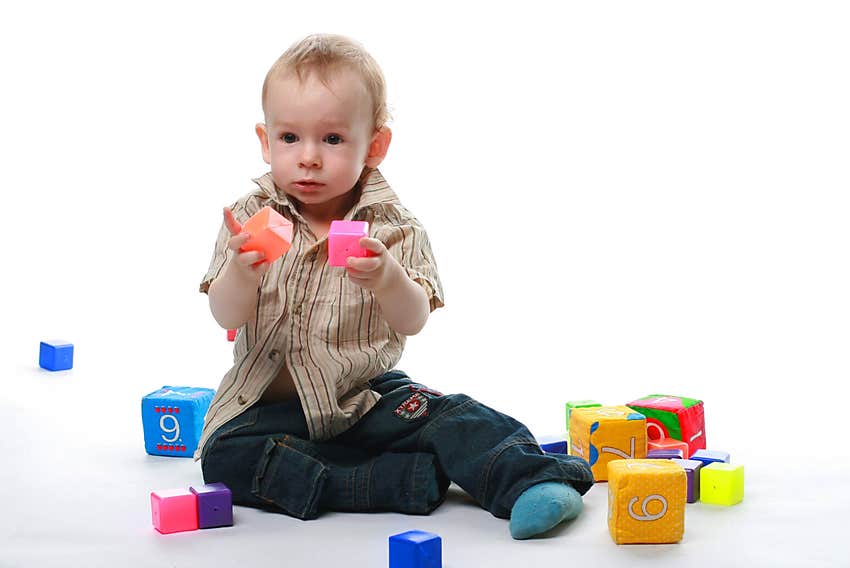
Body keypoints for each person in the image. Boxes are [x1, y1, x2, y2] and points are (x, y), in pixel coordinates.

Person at [195, 33, 593, 539]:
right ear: (264, 139)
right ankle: (391, 482)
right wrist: (240, 274)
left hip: (363, 398)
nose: (309, 157)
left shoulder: (394, 229)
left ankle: (532, 479)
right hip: (266, 409)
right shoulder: (250, 217)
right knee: (227, 461)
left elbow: (413, 320)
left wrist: (387, 277)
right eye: (290, 138)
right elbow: (227, 316)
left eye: (333, 139)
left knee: (451, 418)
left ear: (375, 146)